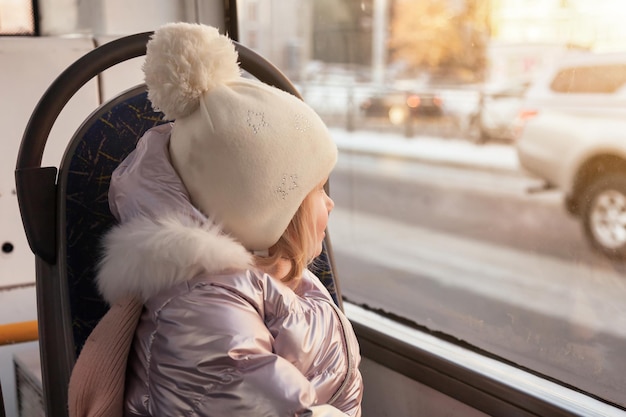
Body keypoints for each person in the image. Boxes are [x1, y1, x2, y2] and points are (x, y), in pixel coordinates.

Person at [67, 22, 363, 417]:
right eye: (318, 191)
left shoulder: (274, 277)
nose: (330, 205)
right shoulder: (200, 309)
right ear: (269, 213)